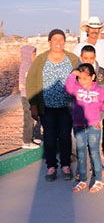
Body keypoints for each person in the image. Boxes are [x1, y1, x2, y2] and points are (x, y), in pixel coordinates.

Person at [26, 29, 79, 181]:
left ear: (64, 41)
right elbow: (31, 82)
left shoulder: (73, 59)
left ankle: (65, 165)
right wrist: (33, 105)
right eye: (54, 39)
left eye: (61, 39)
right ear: (49, 42)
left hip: (66, 107)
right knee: (49, 138)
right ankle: (51, 167)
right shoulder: (41, 59)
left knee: (65, 137)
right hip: (47, 107)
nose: (58, 42)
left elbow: (82, 78)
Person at [65, 64, 104, 193]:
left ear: (93, 77)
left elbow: (102, 108)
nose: (82, 81)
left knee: (94, 152)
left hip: (93, 125)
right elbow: (68, 88)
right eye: (80, 78)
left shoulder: (99, 90)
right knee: (81, 152)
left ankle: (98, 180)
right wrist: (73, 75)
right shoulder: (75, 88)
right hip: (78, 125)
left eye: (85, 78)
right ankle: (83, 179)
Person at [19, 45, 41, 149]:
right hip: (27, 96)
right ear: (27, 55)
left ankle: (34, 137)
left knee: (34, 117)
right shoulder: (26, 65)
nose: (35, 56)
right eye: (33, 54)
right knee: (29, 118)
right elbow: (25, 83)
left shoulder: (30, 65)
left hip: (31, 95)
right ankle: (26, 141)